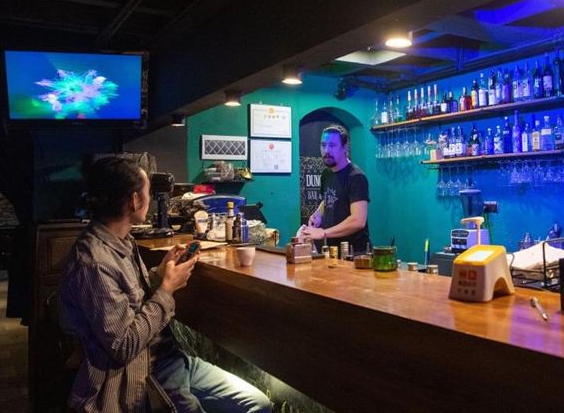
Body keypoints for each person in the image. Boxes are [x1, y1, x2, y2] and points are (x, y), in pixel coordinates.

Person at [58, 157, 271, 412]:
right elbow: (124, 346)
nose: (150, 199)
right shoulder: (94, 263)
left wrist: (159, 275)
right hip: (140, 374)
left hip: (170, 357)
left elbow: (131, 300)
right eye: (147, 192)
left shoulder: (121, 241)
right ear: (134, 200)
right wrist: (167, 290)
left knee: (256, 403)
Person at [303, 125, 370, 253]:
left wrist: (323, 233)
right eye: (323, 145)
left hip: (355, 253)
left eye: (332, 145)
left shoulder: (356, 177)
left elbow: (358, 221)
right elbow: (329, 199)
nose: (326, 150)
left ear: (344, 147)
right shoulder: (326, 174)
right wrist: (318, 213)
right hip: (332, 250)